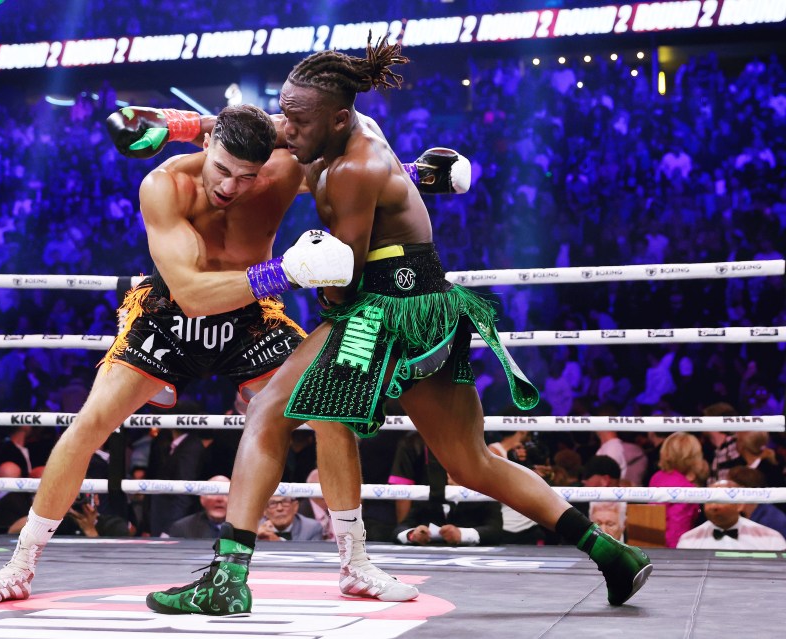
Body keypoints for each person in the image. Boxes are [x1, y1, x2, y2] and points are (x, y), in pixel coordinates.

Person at [146, 38, 652, 617]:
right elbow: (262, 129)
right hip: (428, 303)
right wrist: (180, 125)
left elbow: (343, 280)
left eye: (297, 118)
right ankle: (613, 555)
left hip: (384, 309)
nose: (287, 128)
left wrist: (295, 268)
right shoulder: (330, 125)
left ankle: (227, 580)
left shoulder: (353, 168)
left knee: (268, 411)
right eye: (285, 111)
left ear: (337, 117)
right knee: (471, 462)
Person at [0, 105, 420, 603]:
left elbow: (340, 160)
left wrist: (412, 175)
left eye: (247, 176)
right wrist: (285, 272)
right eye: (222, 169)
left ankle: (355, 564)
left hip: (251, 318)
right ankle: (19, 566)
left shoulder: (282, 172)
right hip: (170, 314)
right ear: (205, 147)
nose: (230, 186)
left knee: (330, 415)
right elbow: (195, 295)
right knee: (89, 424)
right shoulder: (164, 185)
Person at [676, 480, 786, 550]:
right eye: (709, 501)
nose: (714, 507)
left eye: (720, 501)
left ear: (740, 505)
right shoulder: (688, 540)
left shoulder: (770, 538)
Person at [648, 432, 709, 548]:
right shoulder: (685, 488)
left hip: (650, 545)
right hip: (672, 551)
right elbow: (677, 531)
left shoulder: (657, 476)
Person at [257, 495, 324, 541]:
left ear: (295, 507)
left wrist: (278, 542)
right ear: (264, 510)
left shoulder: (312, 528)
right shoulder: (254, 528)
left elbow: (311, 558)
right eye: (273, 503)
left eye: (285, 502)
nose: (279, 508)